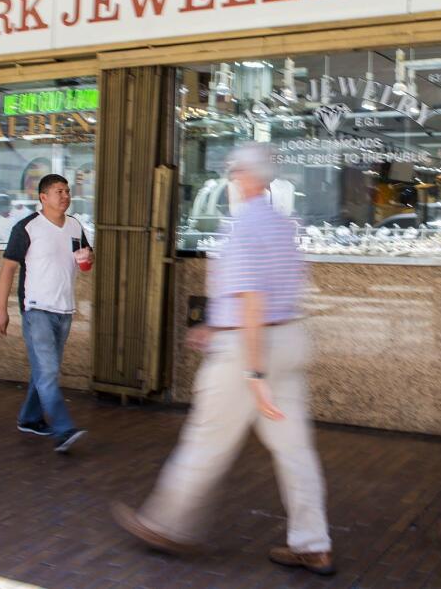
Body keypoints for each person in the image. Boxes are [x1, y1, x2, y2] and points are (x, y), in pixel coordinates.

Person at [112, 143, 334, 576]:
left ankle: (165, 524)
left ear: (249, 177)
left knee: (206, 441)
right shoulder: (284, 224)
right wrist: (216, 326)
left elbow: (252, 299)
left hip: (248, 353)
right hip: (287, 340)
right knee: (295, 451)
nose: (231, 178)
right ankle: (314, 544)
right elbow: (275, 295)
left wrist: (253, 371)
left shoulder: (243, 226)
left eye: (235, 171)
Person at [0, 174, 93, 454]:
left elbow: (86, 257)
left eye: (67, 191)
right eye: (58, 191)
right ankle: (63, 429)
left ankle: (29, 418)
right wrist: (1, 310)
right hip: (36, 308)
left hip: (65, 308)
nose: (65, 196)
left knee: (44, 371)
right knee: (48, 371)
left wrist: (88, 258)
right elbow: (8, 269)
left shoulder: (75, 225)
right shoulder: (27, 227)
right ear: (43, 197)